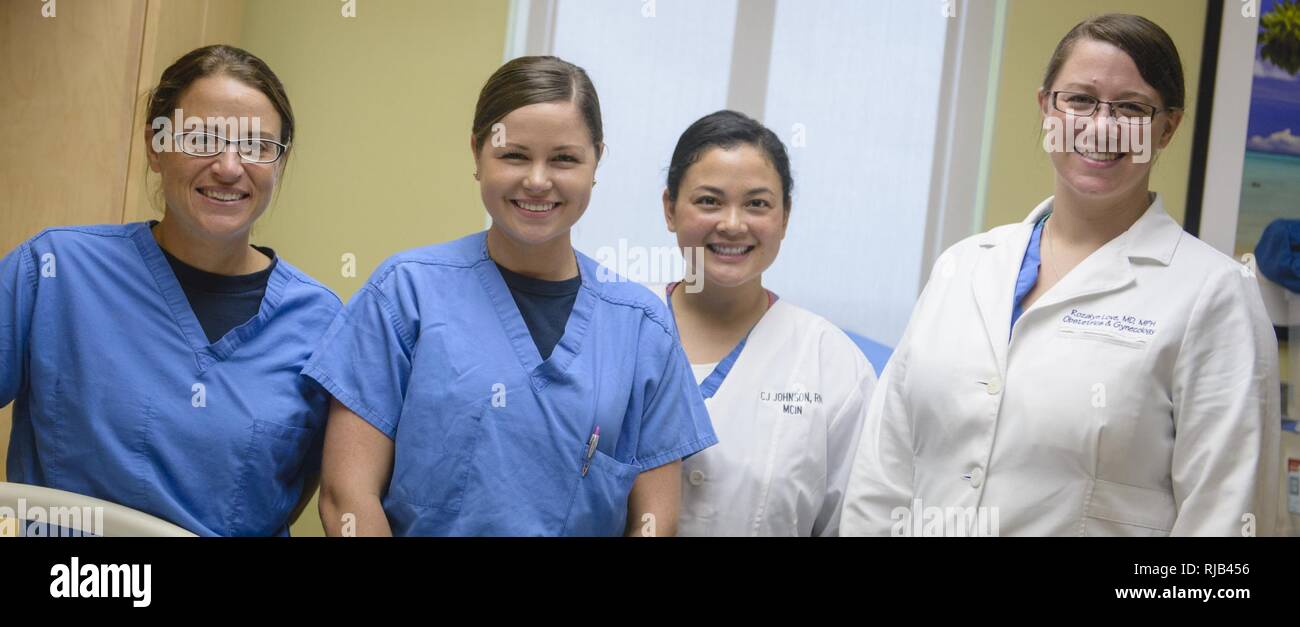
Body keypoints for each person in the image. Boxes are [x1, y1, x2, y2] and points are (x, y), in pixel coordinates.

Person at [841, 14, 1281, 537]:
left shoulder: (1215, 294)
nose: (1101, 126)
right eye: (1079, 100)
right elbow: (883, 469)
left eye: (1133, 108)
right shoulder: (963, 266)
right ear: (1046, 107)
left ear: (1167, 127)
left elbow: (1225, 521)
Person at [309, 56, 717, 537]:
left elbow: (654, 521)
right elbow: (346, 497)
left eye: (564, 158)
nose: (538, 180)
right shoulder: (405, 293)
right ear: (478, 154)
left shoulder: (640, 325)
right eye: (515, 155)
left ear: (596, 162)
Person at [0, 45, 340, 536]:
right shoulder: (55, 271)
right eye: (201, 138)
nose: (228, 166)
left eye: (257, 146)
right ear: (155, 146)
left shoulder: (320, 321)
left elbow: (313, 487)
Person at [652, 110, 875, 536]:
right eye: (709, 201)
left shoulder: (833, 364)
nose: (733, 225)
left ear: (785, 217)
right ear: (670, 208)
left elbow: (855, 523)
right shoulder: (614, 326)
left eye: (757, 204)